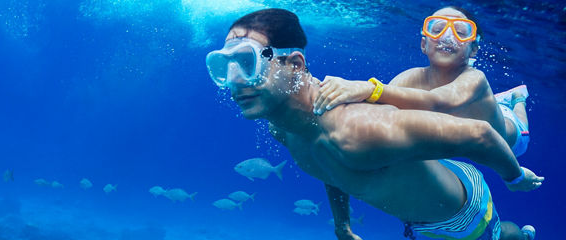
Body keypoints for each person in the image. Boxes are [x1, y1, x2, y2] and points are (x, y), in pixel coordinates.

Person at [204, 8, 543, 240]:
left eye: (246, 62)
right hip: (427, 205)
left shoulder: (356, 130)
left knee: (503, 235)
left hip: (461, 218)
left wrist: (514, 178)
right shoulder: (284, 128)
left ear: (294, 64)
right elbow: (328, 167)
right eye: (223, 66)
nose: (234, 82)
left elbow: (480, 133)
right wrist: (342, 224)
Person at [313, 6, 531, 157]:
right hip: (469, 124)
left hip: (512, 138)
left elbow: (436, 101)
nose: (447, 37)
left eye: (460, 32)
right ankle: (500, 101)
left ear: (473, 49)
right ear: (423, 45)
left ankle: (517, 98)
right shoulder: (412, 77)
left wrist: (369, 87)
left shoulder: (474, 78)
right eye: (437, 29)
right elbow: (379, 109)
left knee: (517, 123)